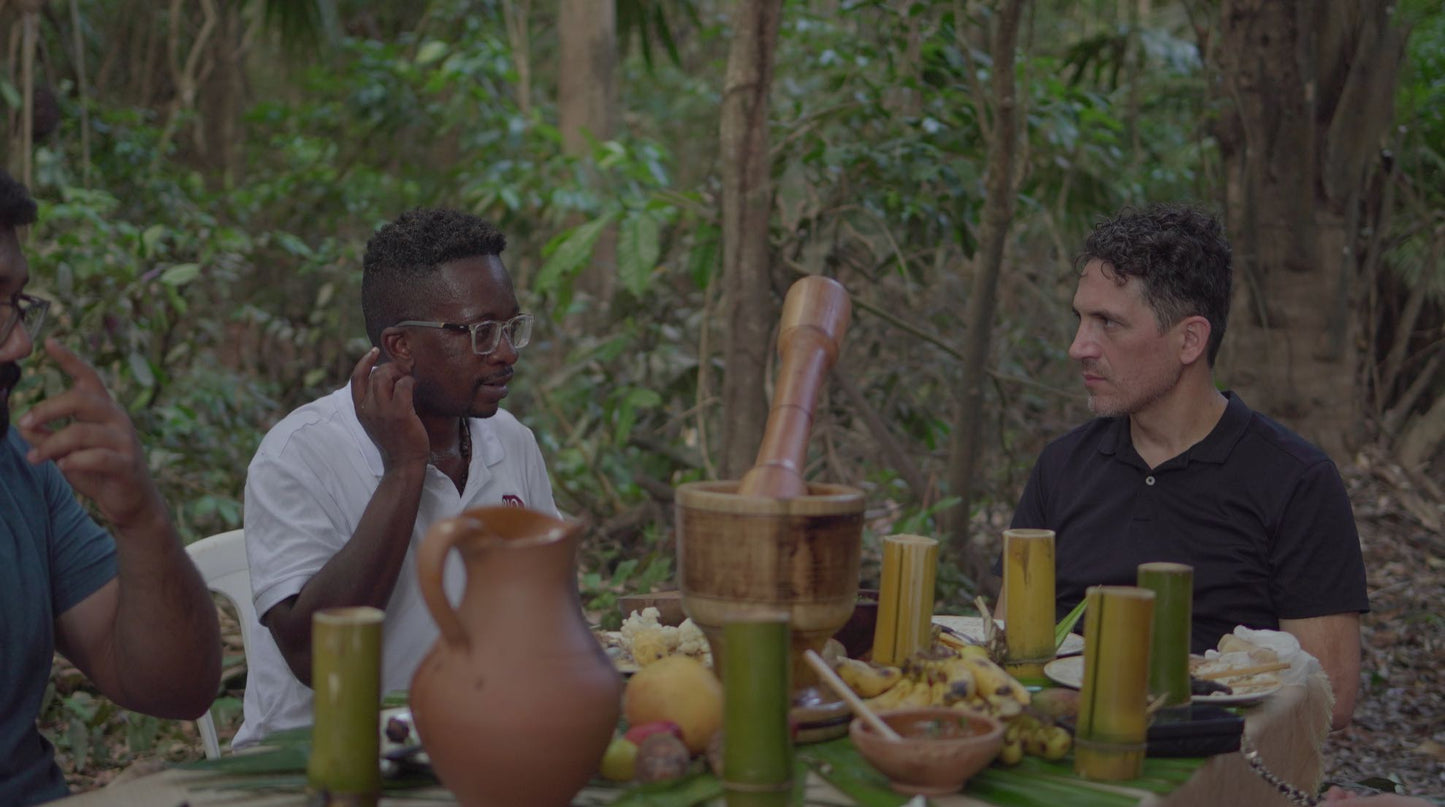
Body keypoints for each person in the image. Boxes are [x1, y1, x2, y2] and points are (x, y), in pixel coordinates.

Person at [1006, 204, 1368, 731]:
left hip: (1217, 761)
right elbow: (1008, 640)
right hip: (1059, 745)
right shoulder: (1062, 464)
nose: (1078, 347)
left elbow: (1330, 698)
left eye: (1107, 323)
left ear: (1190, 340)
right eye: (1081, 319)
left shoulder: (1296, 480)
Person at [234, 208, 558, 747]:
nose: (504, 352)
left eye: (510, 327)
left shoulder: (511, 442)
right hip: (323, 761)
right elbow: (315, 657)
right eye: (480, 331)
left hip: (470, 745)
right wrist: (405, 468)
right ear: (401, 346)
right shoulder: (300, 453)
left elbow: (548, 609)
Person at [0, 171, 222, 804]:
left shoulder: (22, 468)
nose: (19, 341)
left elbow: (174, 687)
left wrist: (140, 517)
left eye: (18, 304)